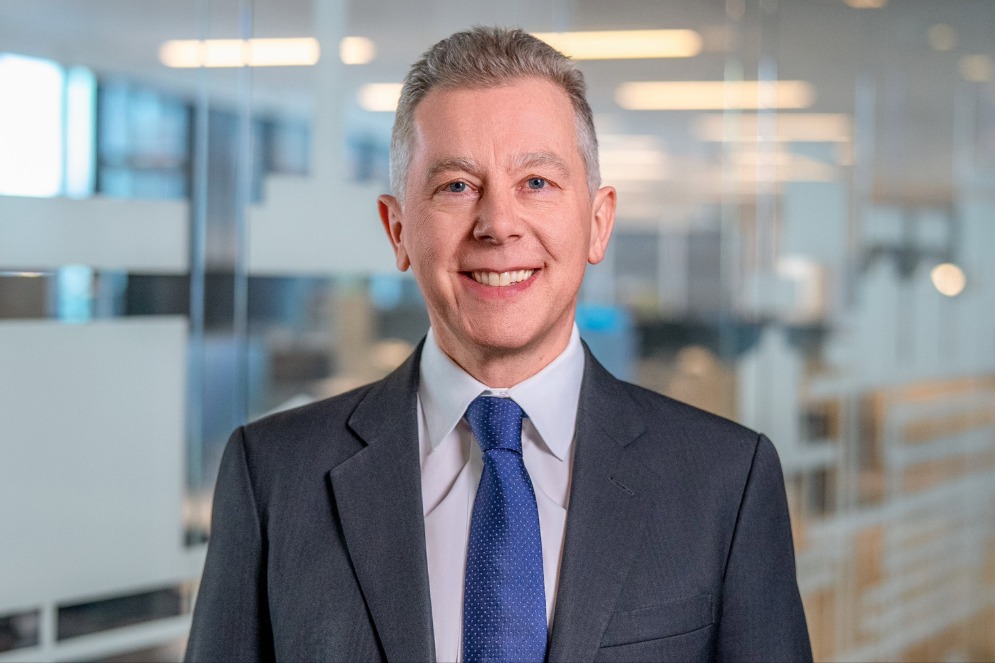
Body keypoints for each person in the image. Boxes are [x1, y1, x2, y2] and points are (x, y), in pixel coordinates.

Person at [185, 26, 812, 663]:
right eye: (457, 186)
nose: (498, 225)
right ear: (397, 230)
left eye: (536, 182)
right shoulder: (272, 478)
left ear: (598, 224)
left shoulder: (725, 483)